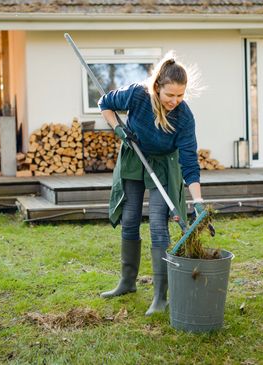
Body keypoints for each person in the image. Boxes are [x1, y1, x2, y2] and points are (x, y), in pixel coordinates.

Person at [98, 52, 206, 316]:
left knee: (158, 224)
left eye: (180, 95)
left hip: (163, 164)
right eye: (170, 95)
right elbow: (105, 103)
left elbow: (190, 162)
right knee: (131, 217)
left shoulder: (184, 117)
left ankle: (160, 296)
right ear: (157, 86)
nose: (175, 101)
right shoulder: (137, 95)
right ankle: (127, 283)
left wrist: (199, 201)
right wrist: (117, 129)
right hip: (135, 156)